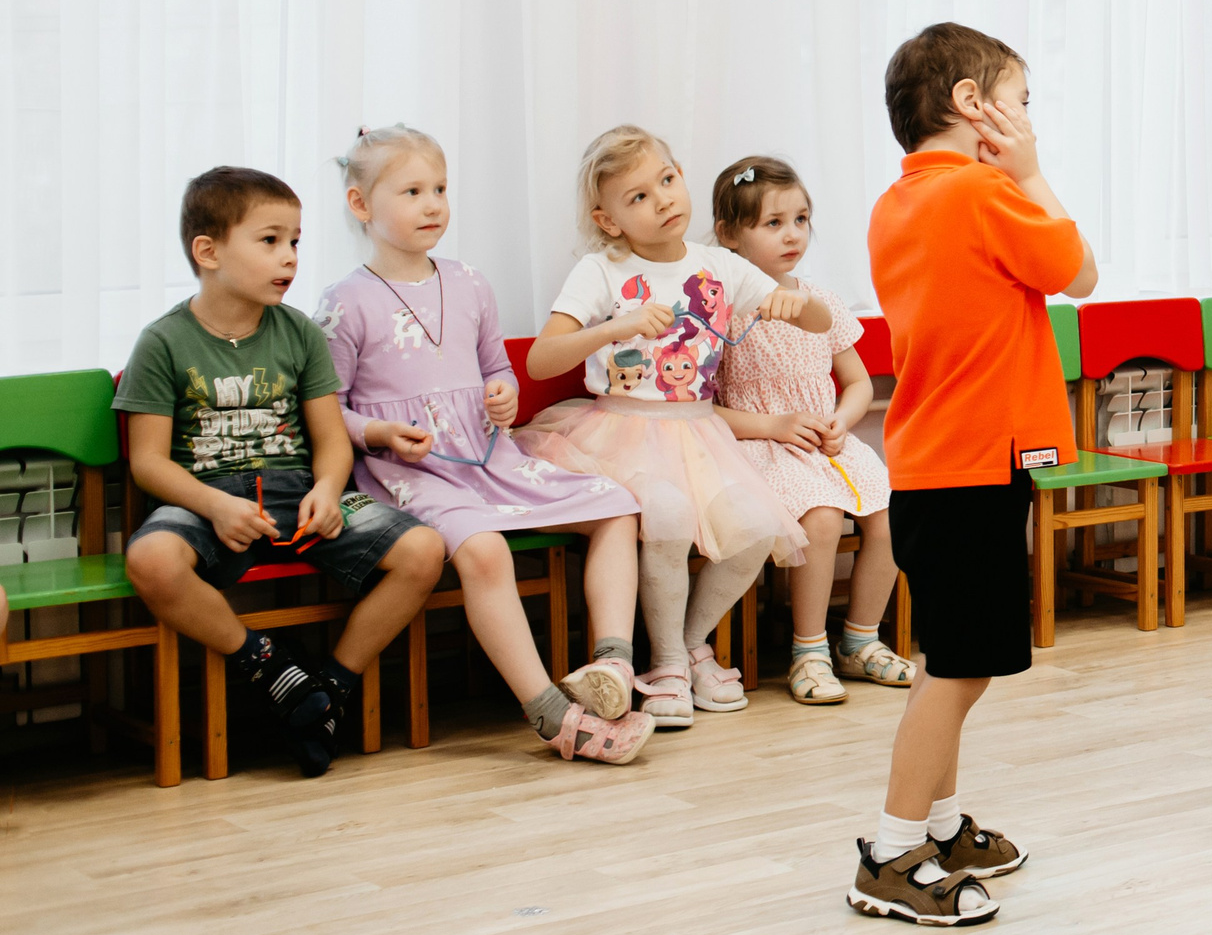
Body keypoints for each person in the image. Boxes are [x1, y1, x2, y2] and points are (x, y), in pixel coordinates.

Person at [850, 22, 1098, 926]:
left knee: (956, 659)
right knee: (956, 669)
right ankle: (888, 849)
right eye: (1021, 101)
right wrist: (1027, 169)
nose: (1028, 120)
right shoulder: (986, 193)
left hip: (934, 461)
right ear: (972, 104)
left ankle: (942, 824)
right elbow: (1080, 271)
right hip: (973, 465)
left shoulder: (899, 202)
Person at [316, 124, 654, 765]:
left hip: (488, 456)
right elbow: (328, 412)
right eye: (412, 190)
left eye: (440, 188)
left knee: (617, 504)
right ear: (361, 206)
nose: (433, 203)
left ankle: (611, 667)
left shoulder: (469, 282)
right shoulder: (342, 302)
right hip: (407, 472)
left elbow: (496, 368)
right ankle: (554, 717)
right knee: (484, 551)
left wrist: (499, 394)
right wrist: (378, 432)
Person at [118, 166, 447, 776]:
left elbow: (331, 441)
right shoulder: (162, 342)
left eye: (295, 241)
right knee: (150, 561)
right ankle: (269, 664)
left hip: (299, 493)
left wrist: (327, 489)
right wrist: (215, 505)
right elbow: (148, 463)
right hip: (202, 498)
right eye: (270, 241)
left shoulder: (300, 333)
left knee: (424, 550)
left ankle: (327, 688)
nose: (289, 257)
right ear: (208, 251)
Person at [517, 126, 815, 728]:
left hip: (700, 432)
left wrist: (796, 304)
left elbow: (821, 318)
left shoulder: (720, 265)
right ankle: (672, 663)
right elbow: (540, 360)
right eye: (639, 198)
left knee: (758, 528)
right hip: (621, 431)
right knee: (669, 517)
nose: (663, 200)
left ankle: (686, 646)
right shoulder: (601, 270)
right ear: (609, 221)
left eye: (668, 180)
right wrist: (613, 328)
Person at [708, 153, 916, 705]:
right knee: (821, 521)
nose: (792, 234)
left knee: (892, 514)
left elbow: (857, 383)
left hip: (827, 445)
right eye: (772, 223)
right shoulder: (721, 309)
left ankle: (861, 640)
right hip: (761, 447)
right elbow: (702, 410)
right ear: (729, 234)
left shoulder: (820, 301)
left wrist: (842, 422)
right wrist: (773, 425)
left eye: (800, 220)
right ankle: (809, 651)